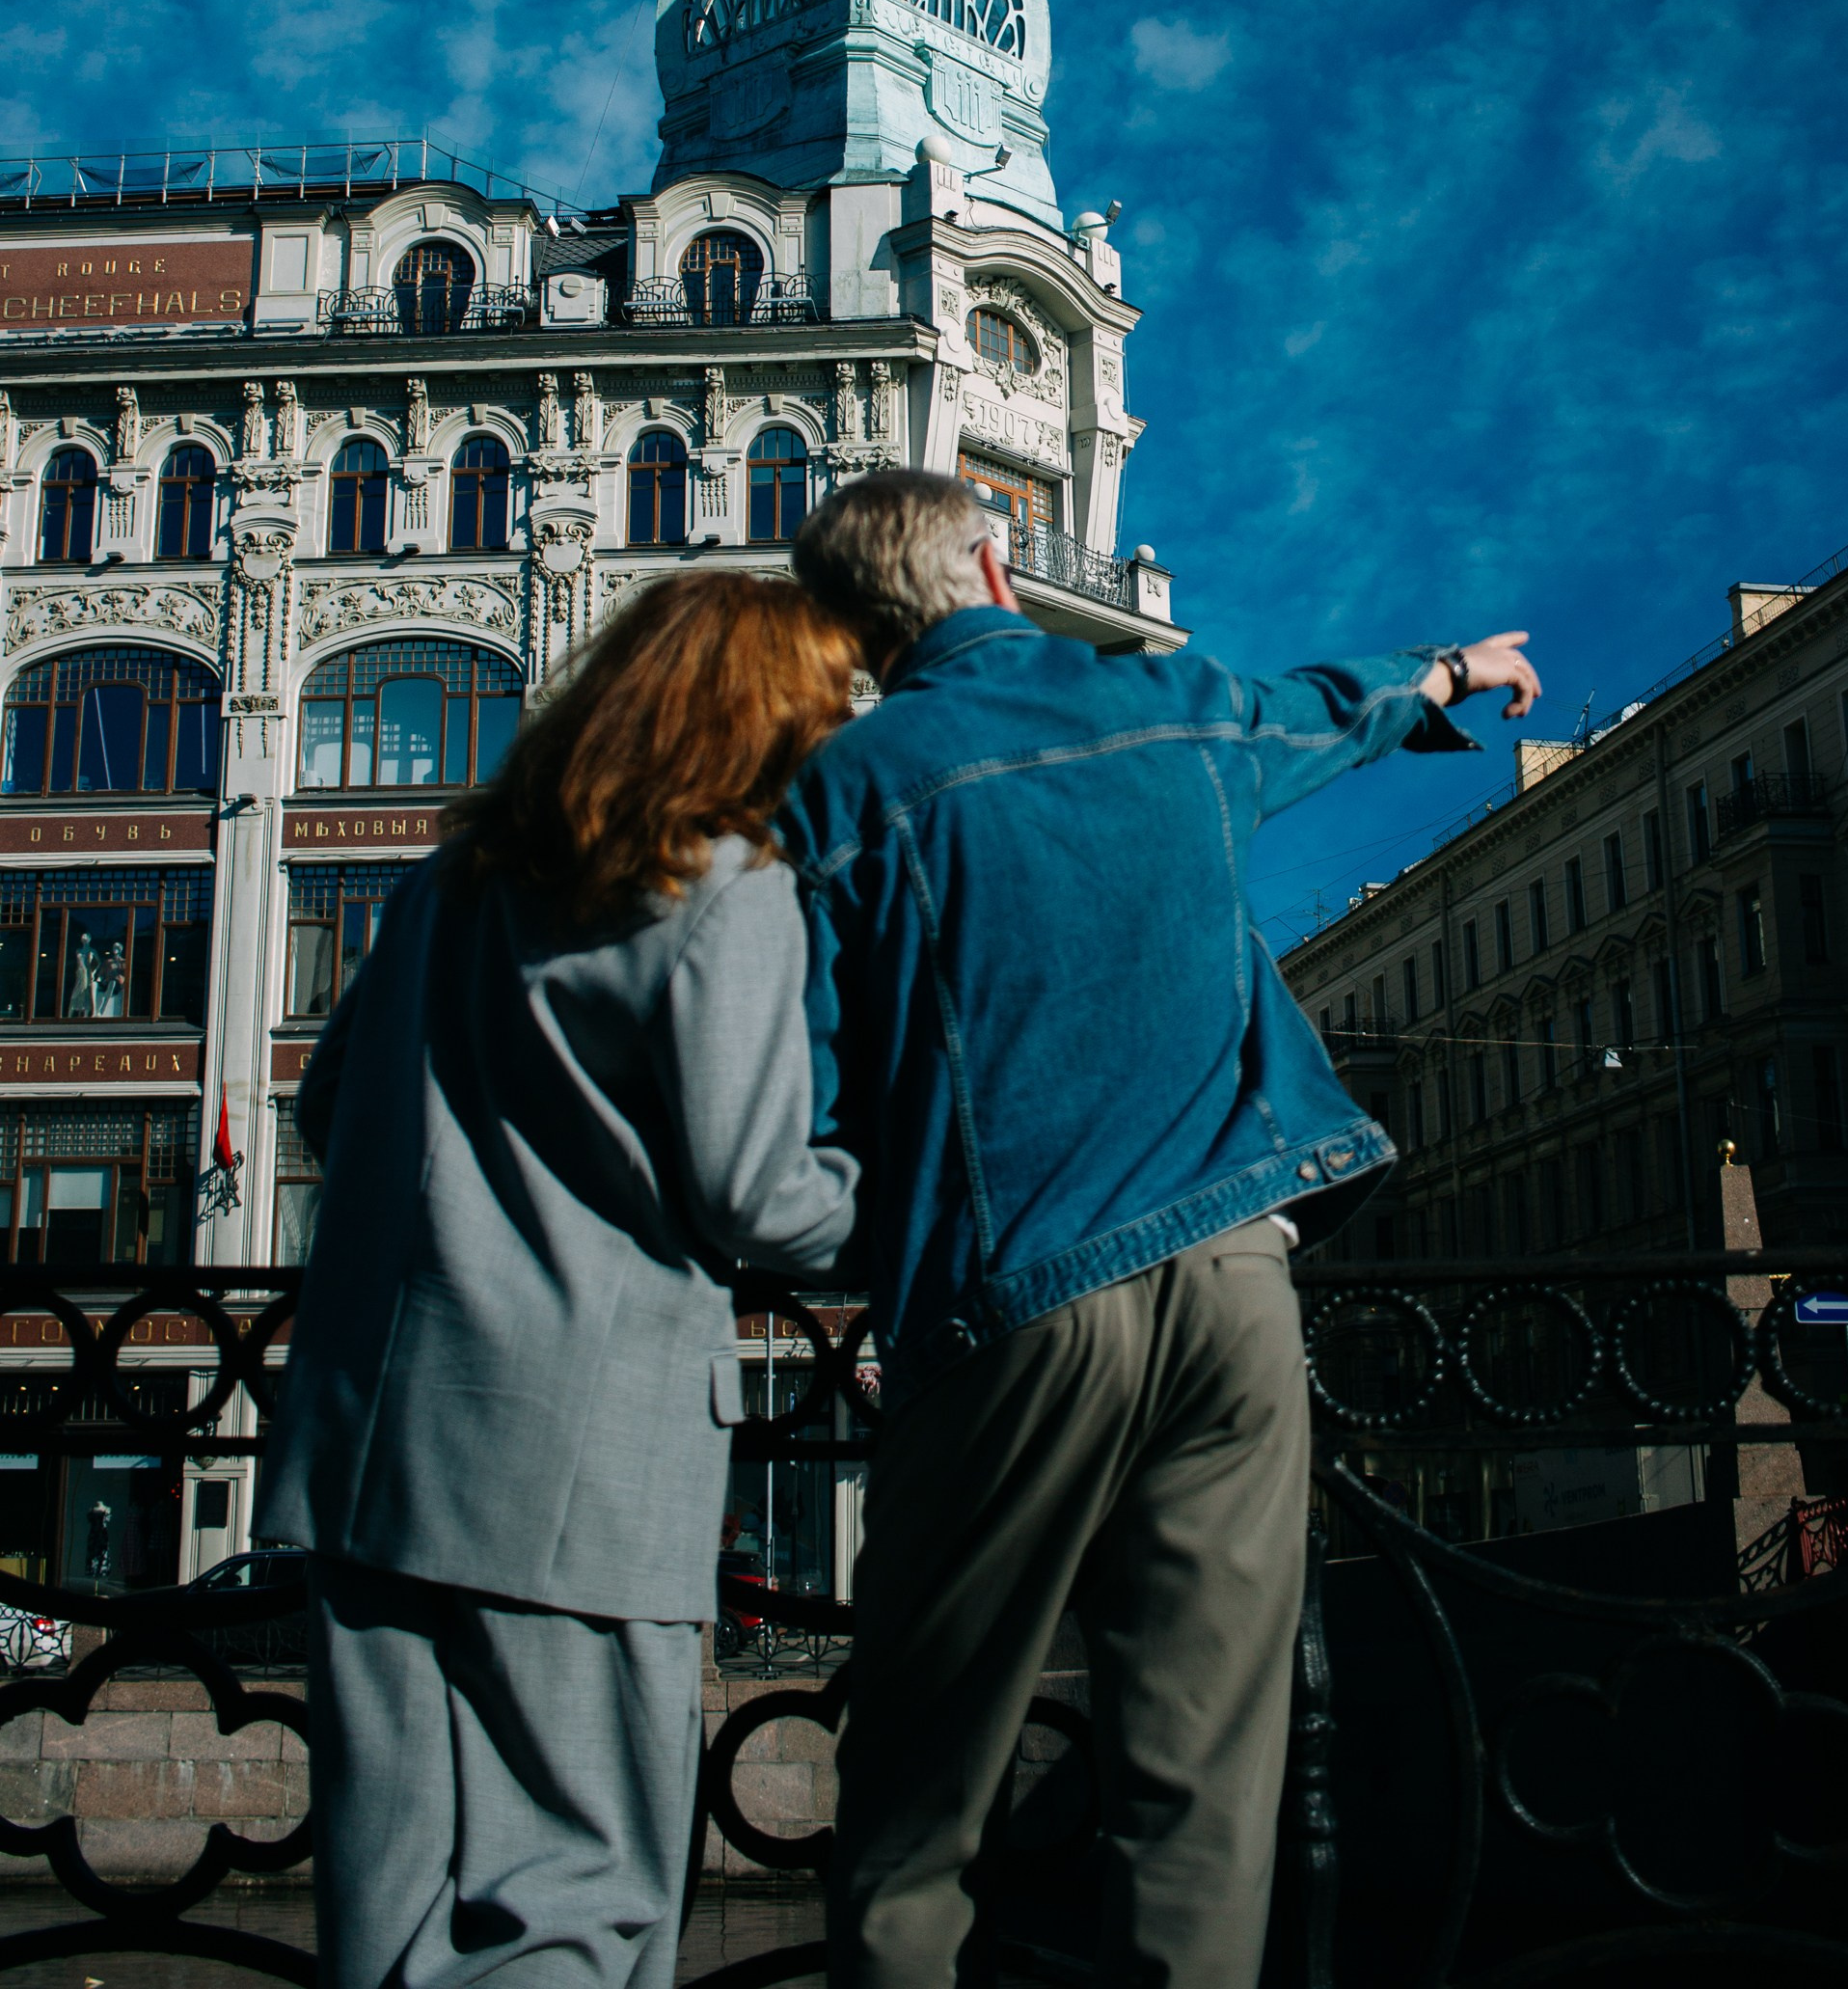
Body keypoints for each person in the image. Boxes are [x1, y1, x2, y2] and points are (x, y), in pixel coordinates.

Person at [783, 471, 1539, 1989]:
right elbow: (1320, 713)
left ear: (856, 631)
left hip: (1011, 1301)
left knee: (917, 1802)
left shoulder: (848, 789)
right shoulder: (1173, 705)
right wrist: (1449, 672)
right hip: (1234, 1275)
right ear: (998, 569)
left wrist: (890, 1253)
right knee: (1199, 1795)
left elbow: (798, 1103)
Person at [258, 569, 862, 1989]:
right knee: (578, 1892)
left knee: (390, 1898)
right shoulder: (723, 881)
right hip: (577, 1459)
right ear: (771, 720)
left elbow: (328, 1106)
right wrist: (927, 1205)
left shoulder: (447, 880)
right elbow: (761, 1193)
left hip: (366, 1448)